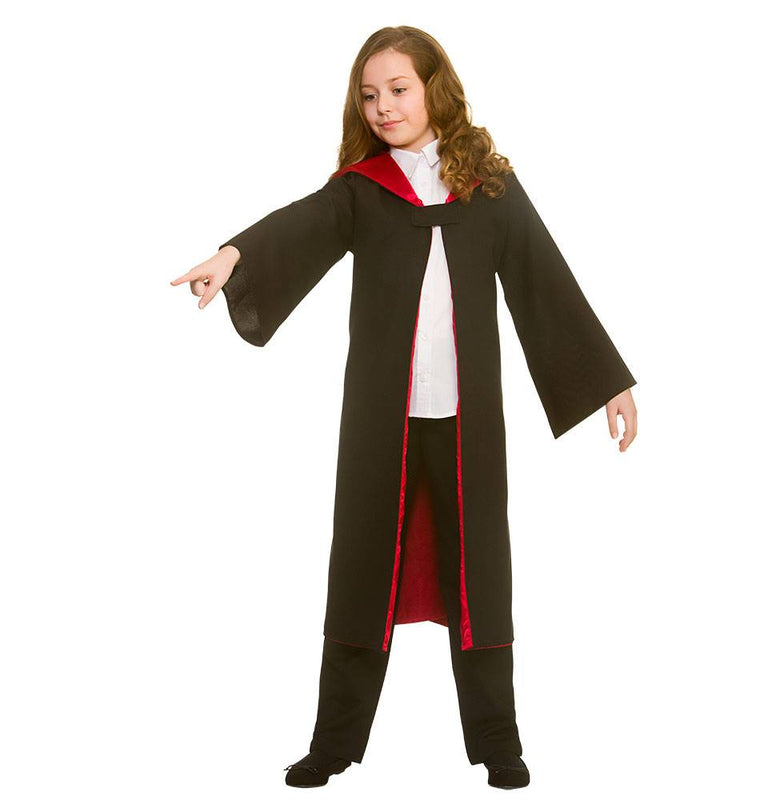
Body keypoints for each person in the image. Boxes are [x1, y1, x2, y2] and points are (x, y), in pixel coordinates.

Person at [171, 25, 637, 790]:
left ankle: (498, 742)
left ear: (433, 89)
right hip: (379, 423)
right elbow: (302, 225)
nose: (383, 107)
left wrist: (607, 380)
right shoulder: (363, 191)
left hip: (467, 423)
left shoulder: (488, 187)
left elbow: (543, 278)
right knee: (361, 569)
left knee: (480, 577)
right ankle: (333, 744)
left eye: (398, 89)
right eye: (369, 95)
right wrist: (234, 255)